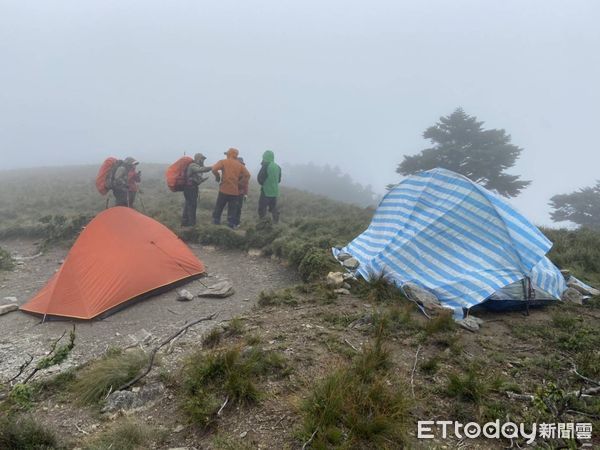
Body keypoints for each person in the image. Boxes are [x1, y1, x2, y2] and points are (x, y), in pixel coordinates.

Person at [211, 148, 250, 228]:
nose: (226, 156)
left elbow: (214, 169)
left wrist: (218, 177)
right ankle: (230, 225)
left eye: (227, 154)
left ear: (229, 154)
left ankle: (216, 223)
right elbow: (247, 175)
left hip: (223, 189)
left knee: (219, 207)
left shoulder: (223, 162)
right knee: (232, 210)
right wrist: (240, 184)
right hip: (234, 191)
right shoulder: (240, 165)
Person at [182, 153, 212, 227]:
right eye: (202, 159)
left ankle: (184, 224)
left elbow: (196, 178)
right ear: (198, 158)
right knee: (192, 206)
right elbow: (200, 170)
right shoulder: (193, 165)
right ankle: (192, 225)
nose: (203, 161)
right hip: (190, 189)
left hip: (191, 188)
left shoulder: (195, 166)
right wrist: (212, 167)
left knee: (188, 205)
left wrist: (201, 180)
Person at [257, 150, 281, 223]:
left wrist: (264, 183)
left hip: (266, 191)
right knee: (273, 207)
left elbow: (260, 178)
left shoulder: (266, 165)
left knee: (262, 208)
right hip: (275, 191)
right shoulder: (277, 167)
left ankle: (262, 222)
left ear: (265, 157)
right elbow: (279, 180)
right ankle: (275, 222)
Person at [231, 157, 249, 228]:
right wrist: (245, 194)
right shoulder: (243, 170)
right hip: (238, 193)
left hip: (237, 193)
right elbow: (246, 184)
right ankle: (236, 223)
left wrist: (245, 194)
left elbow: (246, 184)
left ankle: (234, 223)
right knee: (237, 208)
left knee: (235, 208)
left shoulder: (240, 170)